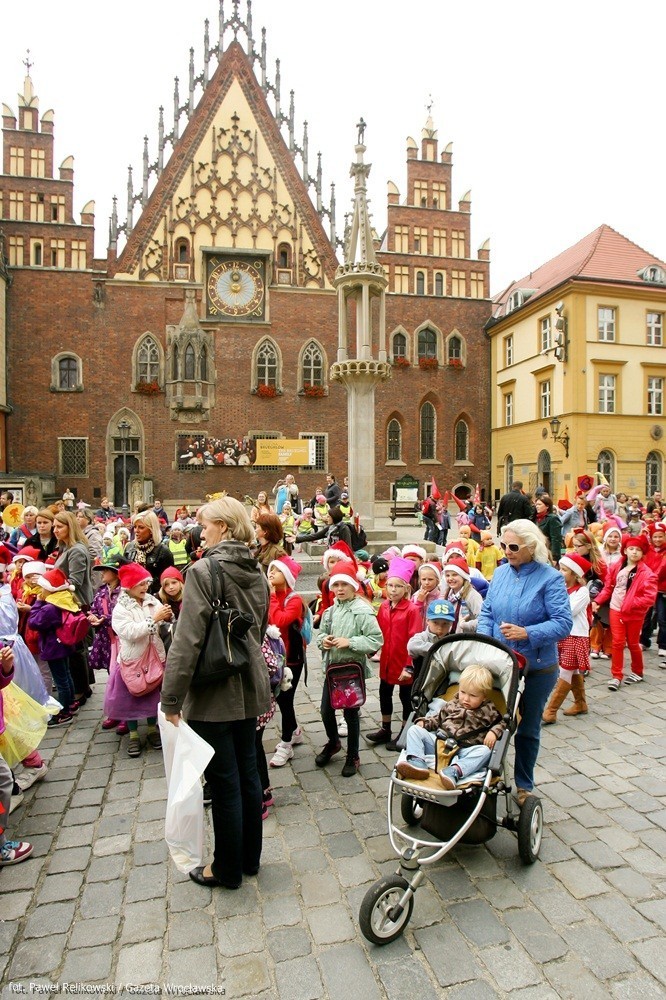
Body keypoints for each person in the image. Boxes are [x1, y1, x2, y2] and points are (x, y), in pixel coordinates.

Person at [161, 496, 270, 890]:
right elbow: (260, 623)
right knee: (248, 775)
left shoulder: (204, 571)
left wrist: (170, 699)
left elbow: (187, 641)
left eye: (205, 524)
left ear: (223, 526)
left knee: (224, 782)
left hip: (215, 690)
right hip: (249, 682)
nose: (199, 529)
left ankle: (226, 869)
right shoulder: (257, 568)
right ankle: (250, 860)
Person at [477, 519, 573, 804]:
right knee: (492, 722)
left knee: (528, 728)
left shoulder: (550, 578)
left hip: (536, 667)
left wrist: (528, 633)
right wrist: (486, 643)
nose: (507, 551)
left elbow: (563, 623)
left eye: (514, 546)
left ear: (532, 546)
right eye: (503, 545)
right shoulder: (501, 572)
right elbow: (487, 614)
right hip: (501, 662)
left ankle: (523, 785)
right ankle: (487, 773)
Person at [315, 560, 383, 776]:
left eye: (345, 584)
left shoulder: (362, 610)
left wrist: (350, 642)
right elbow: (321, 634)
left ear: (354, 586)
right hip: (332, 669)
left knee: (351, 712)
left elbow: (375, 639)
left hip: (352, 670)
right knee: (326, 709)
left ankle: (353, 754)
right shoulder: (330, 611)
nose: (340, 589)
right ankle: (333, 741)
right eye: (336, 585)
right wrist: (324, 640)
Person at [395, 664, 506, 789]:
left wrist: (493, 732)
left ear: (484, 697)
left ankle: (454, 771)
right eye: (463, 692)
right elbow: (438, 719)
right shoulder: (453, 704)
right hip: (440, 744)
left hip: (465, 750)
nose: (466, 699)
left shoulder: (489, 711)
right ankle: (417, 762)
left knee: (485, 752)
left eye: (473, 696)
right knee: (414, 729)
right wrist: (425, 723)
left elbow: (502, 723)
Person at [109, 563, 170, 756]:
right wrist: (154, 620)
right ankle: (134, 734)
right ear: (129, 586)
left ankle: (152, 729)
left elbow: (163, 620)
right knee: (131, 700)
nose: (145, 587)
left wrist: (167, 616)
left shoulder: (152, 601)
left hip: (156, 657)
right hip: (133, 660)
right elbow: (129, 632)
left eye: (146, 583)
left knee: (153, 698)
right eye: (140, 584)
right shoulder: (121, 608)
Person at [367, 557, 422, 750]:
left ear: (406, 588)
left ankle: (406, 732)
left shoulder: (412, 610)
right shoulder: (383, 607)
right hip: (387, 659)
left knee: (405, 697)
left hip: (403, 660)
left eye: (397, 586)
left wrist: (409, 665)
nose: (392, 590)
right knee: (384, 692)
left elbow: (414, 640)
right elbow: (378, 631)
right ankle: (385, 728)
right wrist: (372, 647)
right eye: (390, 585)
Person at [592, 534, 658, 689]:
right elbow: (608, 587)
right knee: (617, 642)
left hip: (634, 614)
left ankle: (637, 671)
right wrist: (598, 601)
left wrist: (630, 604)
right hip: (616, 609)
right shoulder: (617, 566)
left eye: (638, 550)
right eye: (631, 549)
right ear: (625, 550)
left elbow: (649, 598)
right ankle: (616, 675)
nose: (634, 552)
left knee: (633, 643)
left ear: (643, 553)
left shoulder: (647, 573)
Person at [266, 555, 307, 767]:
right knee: (281, 699)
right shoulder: (269, 595)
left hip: (291, 659)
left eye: (277, 570)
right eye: (270, 569)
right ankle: (295, 732)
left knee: (285, 698)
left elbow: (279, 620)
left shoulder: (294, 599)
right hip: (273, 657)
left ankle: (286, 743)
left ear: (288, 577)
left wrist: (272, 598)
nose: (271, 572)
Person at [542, 553, 592, 724]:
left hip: (576, 634)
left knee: (565, 670)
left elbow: (568, 611)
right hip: (563, 634)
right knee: (574, 670)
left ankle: (551, 710)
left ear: (574, 574)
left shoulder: (582, 591)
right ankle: (581, 703)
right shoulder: (561, 588)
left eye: (564, 570)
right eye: (560, 568)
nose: (560, 572)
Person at [124, 511, 174, 594]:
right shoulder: (129, 547)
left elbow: (168, 581)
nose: (136, 531)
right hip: (131, 597)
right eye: (135, 527)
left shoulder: (163, 551)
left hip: (154, 598)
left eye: (141, 527)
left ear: (151, 529)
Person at [441, 557, 483, 632]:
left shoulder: (472, 596)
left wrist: (465, 625)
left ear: (463, 576)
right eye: (447, 575)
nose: (450, 578)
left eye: (454, 575)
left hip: (466, 639)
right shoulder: (448, 594)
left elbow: (483, 620)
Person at [535, 495, 562, 563]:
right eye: (536, 504)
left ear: (547, 506)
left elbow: (556, 539)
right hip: (537, 552)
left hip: (548, 552)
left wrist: (554, 557)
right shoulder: (536, 518)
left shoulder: (552, 518)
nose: (537, 506)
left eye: (539, 504)